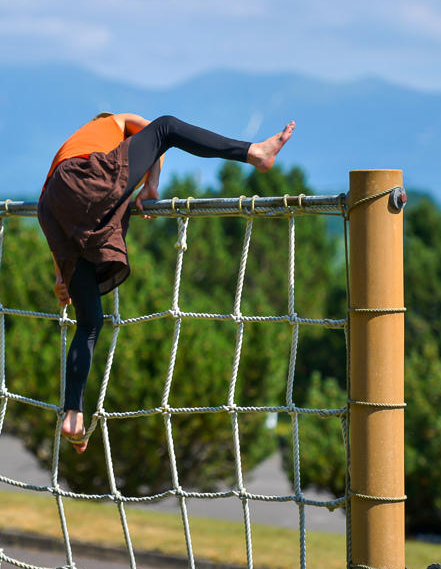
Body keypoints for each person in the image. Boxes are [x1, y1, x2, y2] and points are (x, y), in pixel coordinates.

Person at [37, 113, 295, 453]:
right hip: (84, 180)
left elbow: (57, 212)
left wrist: (61, 276)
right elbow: (155, 134)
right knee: (168, 126)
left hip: (53, 204)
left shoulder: (78, 143)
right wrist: (152, 184)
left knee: (89, 322)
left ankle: (73, 412)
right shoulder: (114, 122)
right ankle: (254, 153)